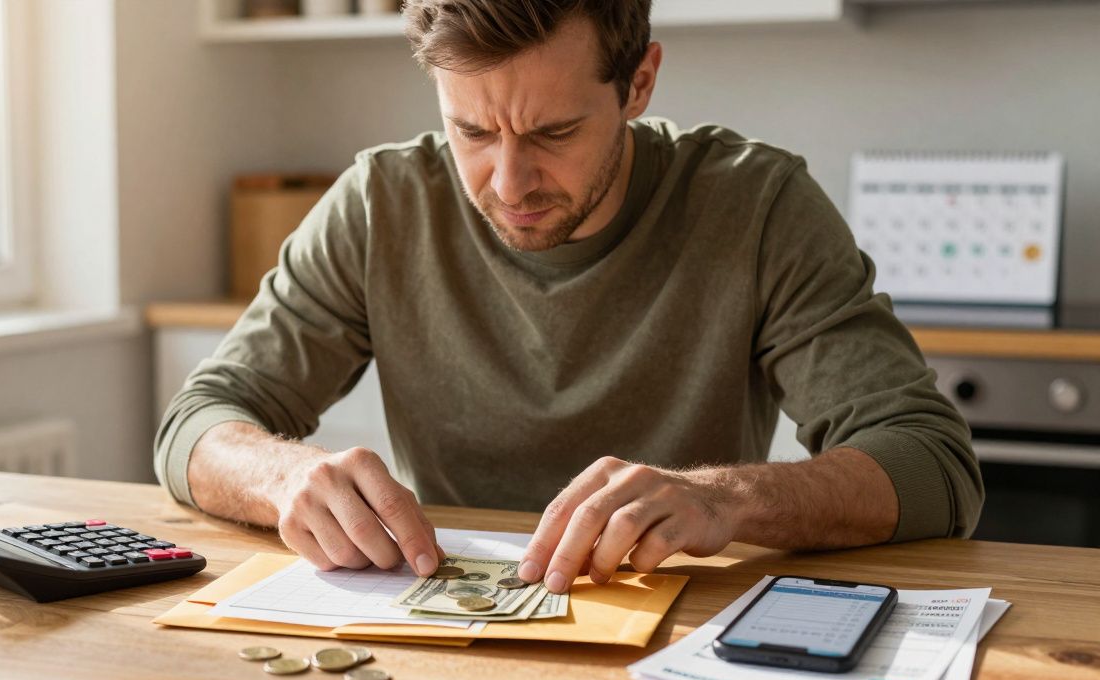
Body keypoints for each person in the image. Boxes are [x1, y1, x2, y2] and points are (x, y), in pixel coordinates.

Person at [155, 0, 983, 595]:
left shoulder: (757, 206)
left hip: (677, 640)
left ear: (639, 83)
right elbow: (200, 419)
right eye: (472, 133)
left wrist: (724, 499)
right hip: (441, 638)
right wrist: (283, 476)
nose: (509, 183)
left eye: (553, 133)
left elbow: (933, 464)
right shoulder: (382, 202)